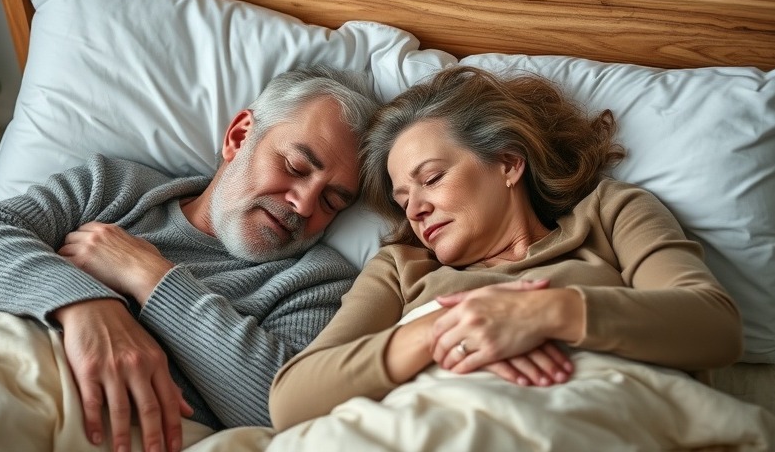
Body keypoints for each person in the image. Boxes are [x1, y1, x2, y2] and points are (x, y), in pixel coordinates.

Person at [0, 65, 380, 452]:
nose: (303, 205)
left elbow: (281, 406)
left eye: (333, 202)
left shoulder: (318, 282)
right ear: (239, 136)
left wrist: (151, 276)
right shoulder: (112, 186)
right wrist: (89, 307)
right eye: (296, 168)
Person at [268, 65, 743, 430]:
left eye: (432, 179)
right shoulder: (400, 266)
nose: (416, 211)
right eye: (404, 200)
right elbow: (291, 400)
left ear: (508, 162)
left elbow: (714, 325)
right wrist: (445, 328)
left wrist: (544, 313)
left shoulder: (609, 214)